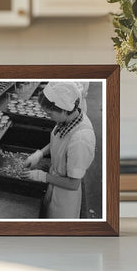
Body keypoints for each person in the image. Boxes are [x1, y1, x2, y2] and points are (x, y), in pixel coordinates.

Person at [20, 82, 96, 218]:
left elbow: (73, 184)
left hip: (65, 198)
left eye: (50, 114)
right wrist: (39, 154)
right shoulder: (69, 120)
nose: (49, 117)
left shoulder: (81, 139)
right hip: (55, 184)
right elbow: (60, 141)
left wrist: (41, 176)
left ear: (64, 109)